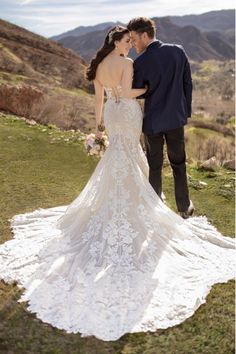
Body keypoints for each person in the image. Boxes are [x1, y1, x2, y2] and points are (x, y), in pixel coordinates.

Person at [0, 25, 235, 342]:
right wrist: (149, 90)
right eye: (126, 41)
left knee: (120, 160)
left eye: (131, 40)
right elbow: (130, 92)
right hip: (127, 112)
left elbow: (99, 100)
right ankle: (148, 206)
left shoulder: (98, 68)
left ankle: (128, 203)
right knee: (135, 159)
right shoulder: (126, 64)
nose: (130, 45)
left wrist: (97, 128)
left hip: (111, 115)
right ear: (116, 41)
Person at [127, 17, 194, 218]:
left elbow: (139, 91)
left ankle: (153, 211)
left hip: (153, 122)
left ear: (145, 35)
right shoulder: (178, 51)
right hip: (175, 119)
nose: (132, 43)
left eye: (133, 39)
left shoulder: (140, 62)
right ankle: (184, 208)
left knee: (154, 166)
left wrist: (148, 90)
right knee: (178, 163)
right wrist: (185, 113)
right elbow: (187, 84)